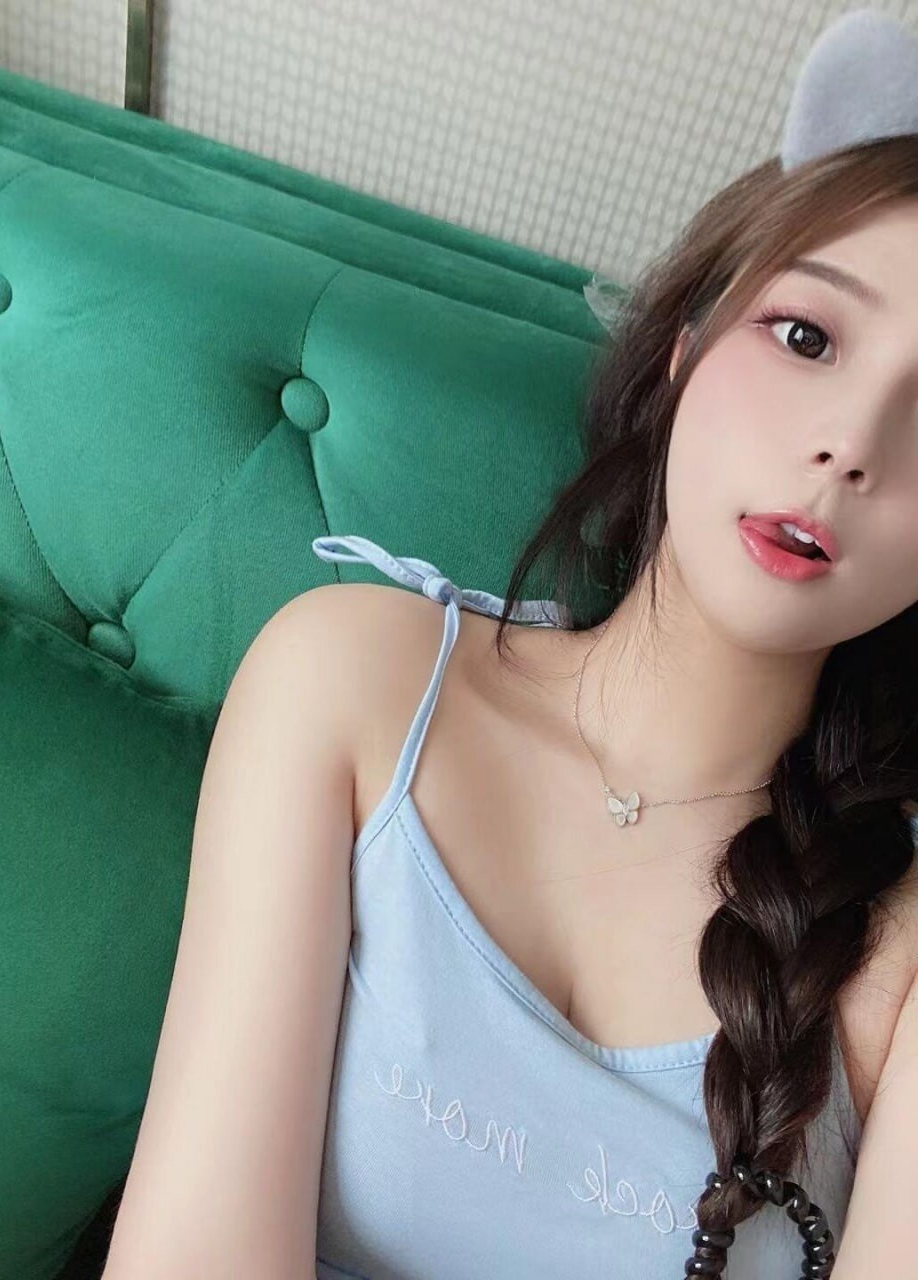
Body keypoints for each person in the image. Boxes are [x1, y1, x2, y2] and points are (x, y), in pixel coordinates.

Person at [310, 9, 918, 1278]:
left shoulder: (899, 955)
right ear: (685, 353)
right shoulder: (358, 680)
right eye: (807, 335)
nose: (853, 445)